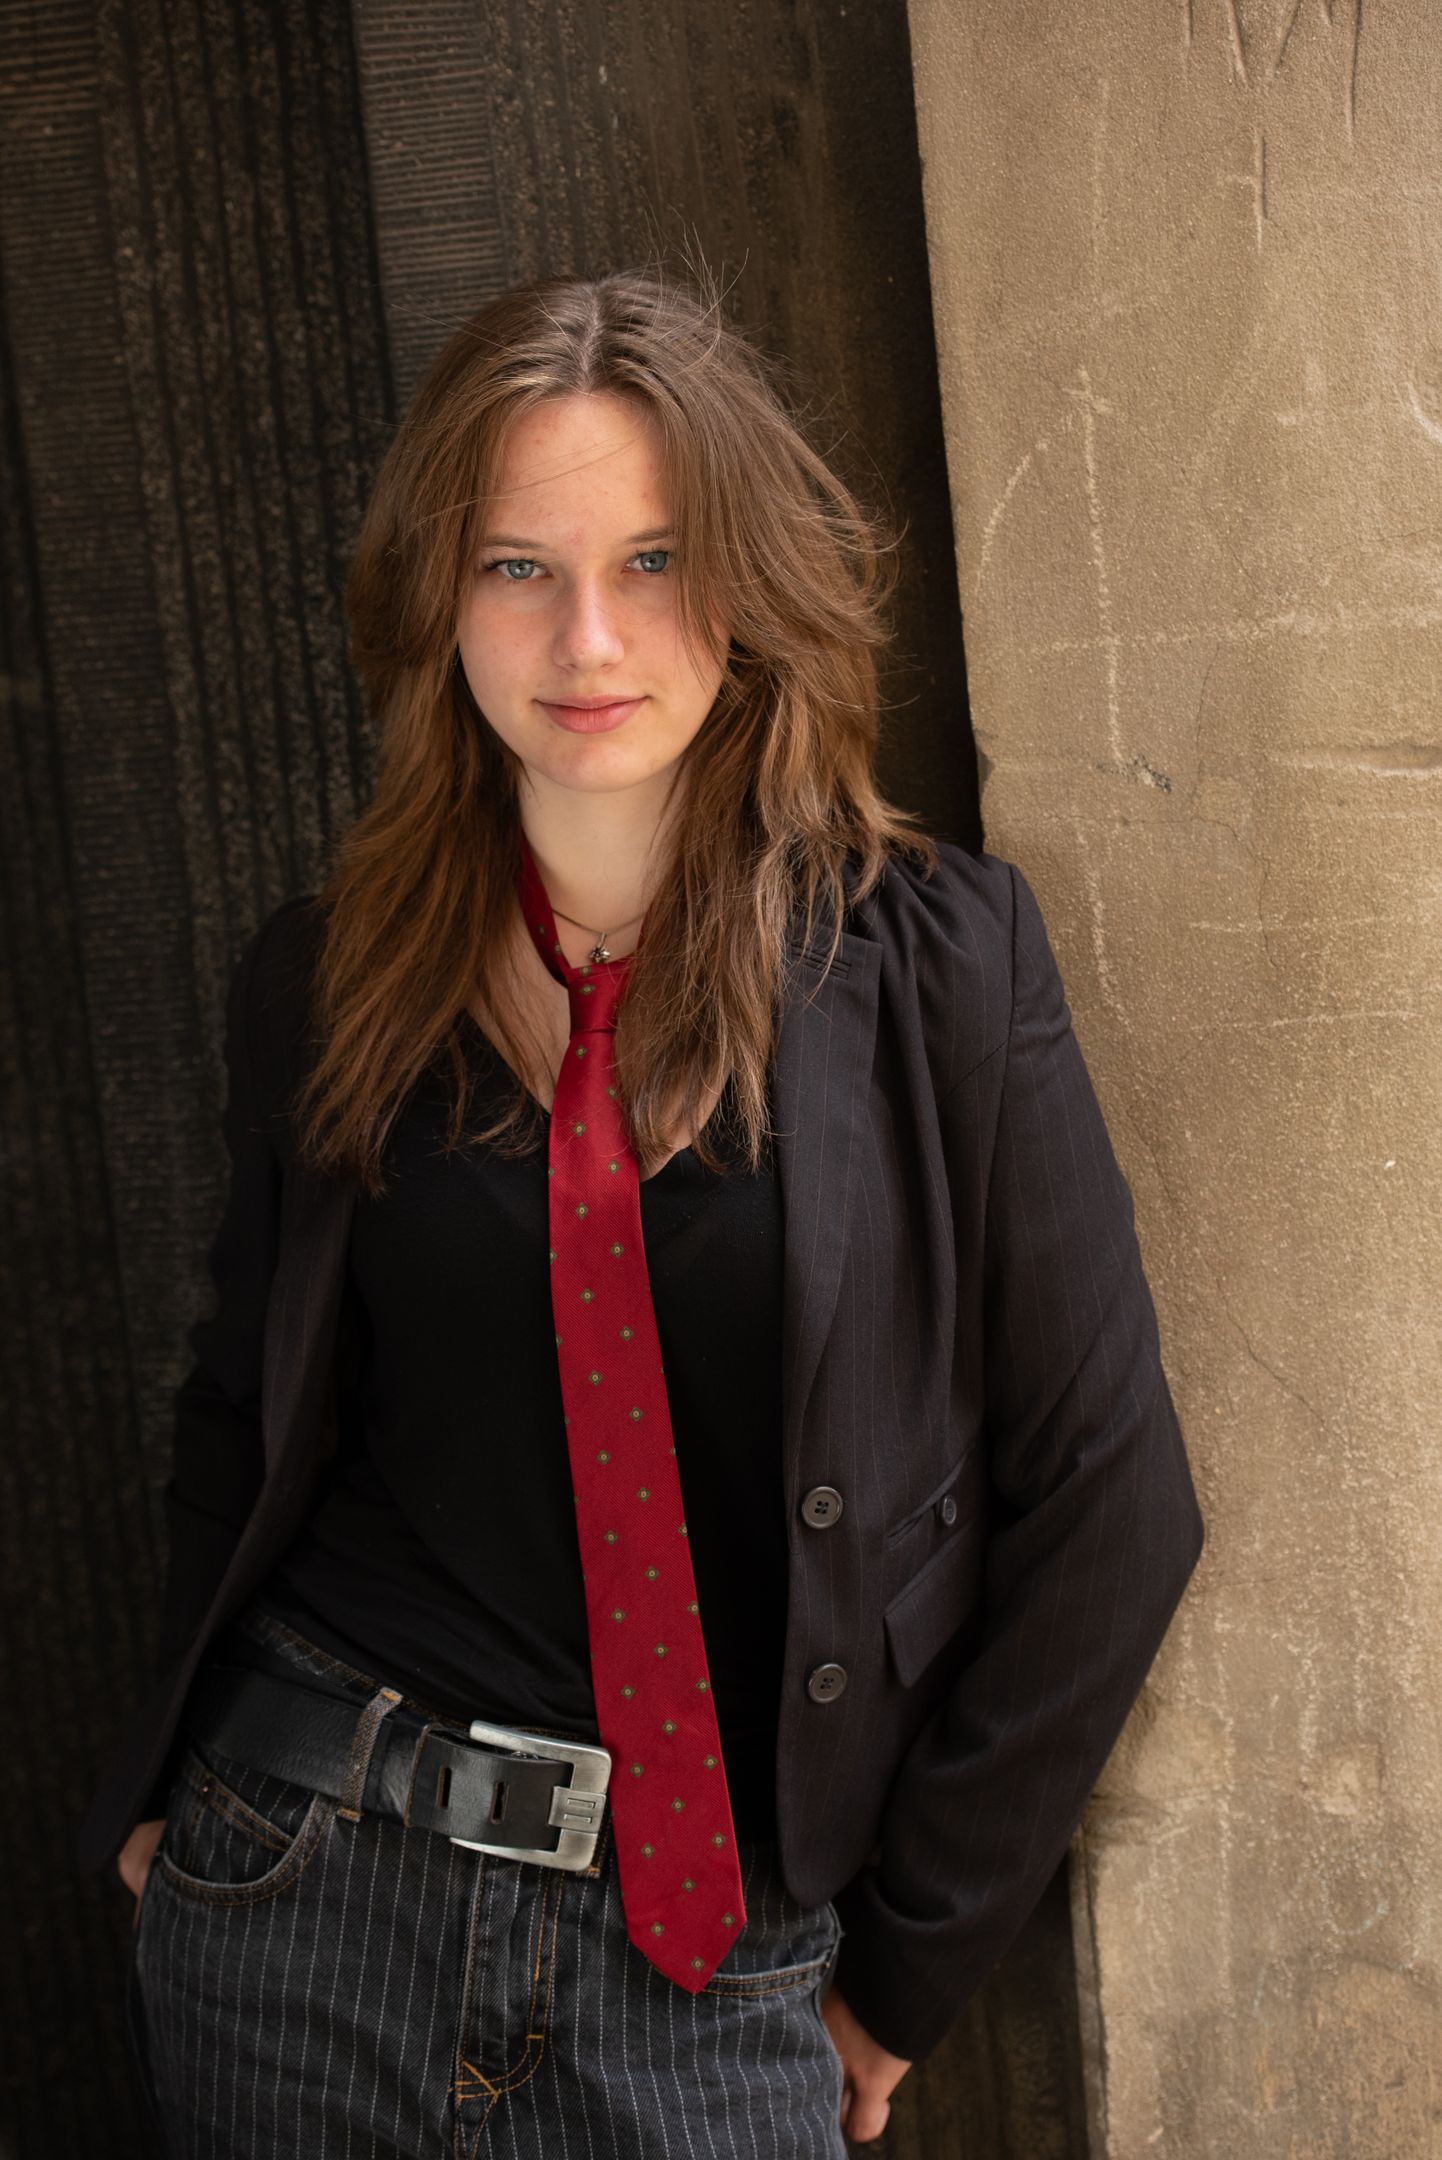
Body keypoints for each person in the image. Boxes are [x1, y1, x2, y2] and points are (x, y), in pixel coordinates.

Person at [82, 263, 1205, 2156]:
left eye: (655, 561)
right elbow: (243, 1410)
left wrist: (904, 1971)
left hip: (703, 1970)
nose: (586, 637)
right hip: (301, 1893)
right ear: (441, 599)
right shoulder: (327, 978)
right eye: (517, 567)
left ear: (749, 583)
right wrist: (158, 1791)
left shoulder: (937, 966)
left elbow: (1113, 1499)